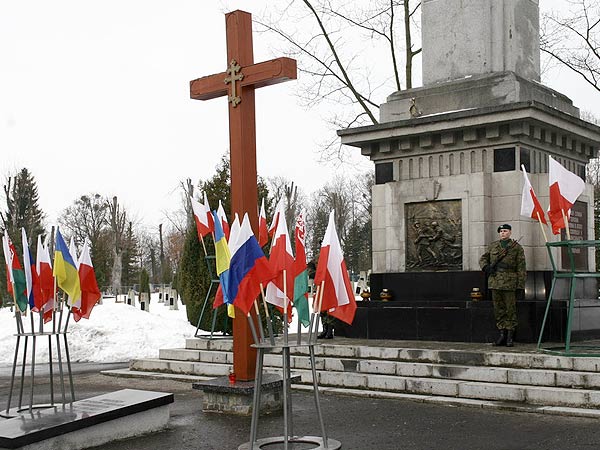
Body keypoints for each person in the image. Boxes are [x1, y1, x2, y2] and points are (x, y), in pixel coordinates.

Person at [479, 224, 526, 347]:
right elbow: (483, 258)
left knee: (510, 309)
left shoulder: (517, 248)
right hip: (495, 281)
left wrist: (520, 285)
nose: (502, 233)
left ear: (510, 232)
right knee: (498, 309)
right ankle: (502, 335)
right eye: (501, 231)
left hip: (510, 282)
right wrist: (486, 267)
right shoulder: (493, 246)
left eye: (505, 231)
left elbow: (521, 268)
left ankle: (510, 336)